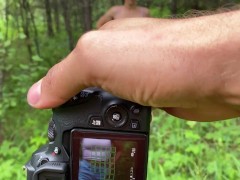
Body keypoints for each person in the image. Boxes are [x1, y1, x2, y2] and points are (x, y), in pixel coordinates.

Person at [27, 10, 240, 121]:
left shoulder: (143, 11)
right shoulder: (116, 9)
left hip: (142, 57)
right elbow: (102, 21)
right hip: (113, 49)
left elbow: (154, 28)